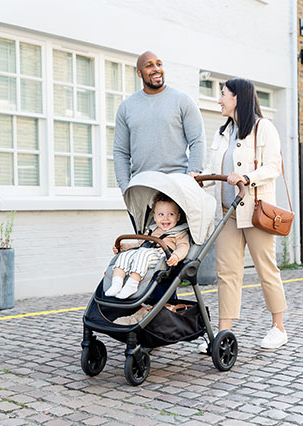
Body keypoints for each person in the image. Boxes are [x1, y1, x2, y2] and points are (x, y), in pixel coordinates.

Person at [202, 78, 288, 350]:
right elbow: (214, 168)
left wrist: (247, 177)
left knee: (266, 268)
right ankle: (222, 333)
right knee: (226, 272)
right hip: (228, 214)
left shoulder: (264, 128)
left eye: (223, 95)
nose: (219, 100)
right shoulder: (222, 133)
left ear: (237, 97)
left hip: (255, 211)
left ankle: (278, 327)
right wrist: (201, 177)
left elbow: (273, 166)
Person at [113, 51, 205, 194]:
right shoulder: (126, 107)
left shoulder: (182, 100)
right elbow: (121, 152)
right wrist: (126, 189)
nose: (156, 69)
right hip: (141, 188)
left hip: (177, 185)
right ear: (139, 73)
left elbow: (197, 140)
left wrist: (192, 174)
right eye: (149, 66)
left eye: (159, 64)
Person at [106, 193, 190, 299]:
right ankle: (116, 283)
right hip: (145, 252)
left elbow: (183, 247)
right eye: (161, 214)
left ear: (178, 217)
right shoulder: (152, 229)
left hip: (162, 256)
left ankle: (132, 284)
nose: (166, 218)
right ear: (154, 216)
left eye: (171, 214)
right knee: (125, 255)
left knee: (143, 252)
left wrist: (176, 256)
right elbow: (140, 244)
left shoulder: (179, 232)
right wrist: (125, 247)